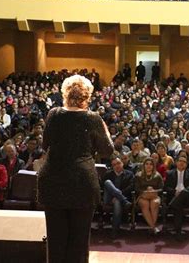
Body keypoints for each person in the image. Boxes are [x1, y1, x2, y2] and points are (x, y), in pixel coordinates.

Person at [38, 75, 114, 263]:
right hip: (81, 182)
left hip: (53, 180)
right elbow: (107, 150)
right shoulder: (93, 118)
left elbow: (44, 144)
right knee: (79, 243)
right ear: (87, 96)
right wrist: (104, 129)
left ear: (65, 94)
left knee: (55, 242)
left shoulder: (53, 114)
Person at [165, 154, 189, 239]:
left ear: (186, 164)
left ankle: (170, 206)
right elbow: (166, 187)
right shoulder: (169, 173)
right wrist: (174, 192)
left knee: (184, 192)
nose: (182, 163)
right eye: (180, 161)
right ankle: (178, 232)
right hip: (175, 197)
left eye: (184, 162)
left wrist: (183, 191)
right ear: (176, 162)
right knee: (178, 207)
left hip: (188, 198)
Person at [102, 157, 134, 238]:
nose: (117, 166)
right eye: (114, 165)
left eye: (118, 163)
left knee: (117, 201)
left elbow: (131, 187)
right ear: (112, 166)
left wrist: (117, 196)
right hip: (108, 198)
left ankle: (115, 230)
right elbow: (103, 187)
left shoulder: (129, 174)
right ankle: (124, 200)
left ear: (122, 163)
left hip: (119, 199)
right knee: (107, 182)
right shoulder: (108, 174)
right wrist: (116, 195)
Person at [134, 157, 164, 235]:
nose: (148, 166)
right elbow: (136, 188)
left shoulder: (158, 175)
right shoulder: (138, 175)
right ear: (143, 165)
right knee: (145, 204)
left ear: (153, 166)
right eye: (146, 164)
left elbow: (162, 188)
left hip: (154, 195)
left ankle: (152, 227)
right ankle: (154, 227)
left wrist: (153, 191)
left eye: (151, 164)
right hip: (142, 196)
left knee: (155, 203)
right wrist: (145, 191)